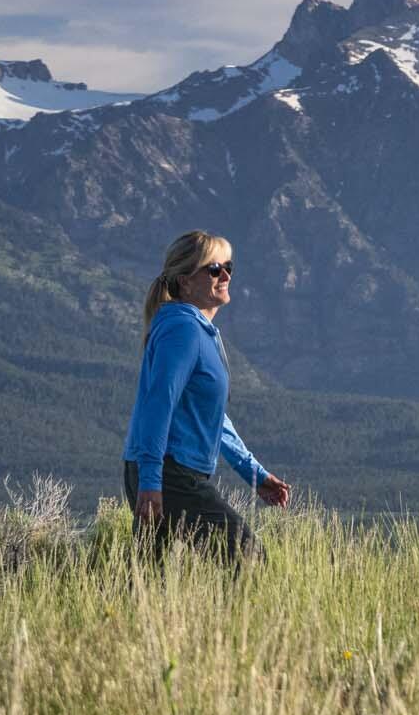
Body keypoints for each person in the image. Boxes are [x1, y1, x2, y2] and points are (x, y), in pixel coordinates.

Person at [122, 230, 292, 567]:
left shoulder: (198, 331)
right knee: (248, 559)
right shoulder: (183, 330)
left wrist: (254, 473)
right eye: (214, 269)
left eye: (228, 267)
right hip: (169, 474)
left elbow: (213, 418)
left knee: (152, 584)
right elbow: (159, 404)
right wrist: (152, 481)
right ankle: (242, 621)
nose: (225, 275)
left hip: (171, 472)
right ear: (185, 282)